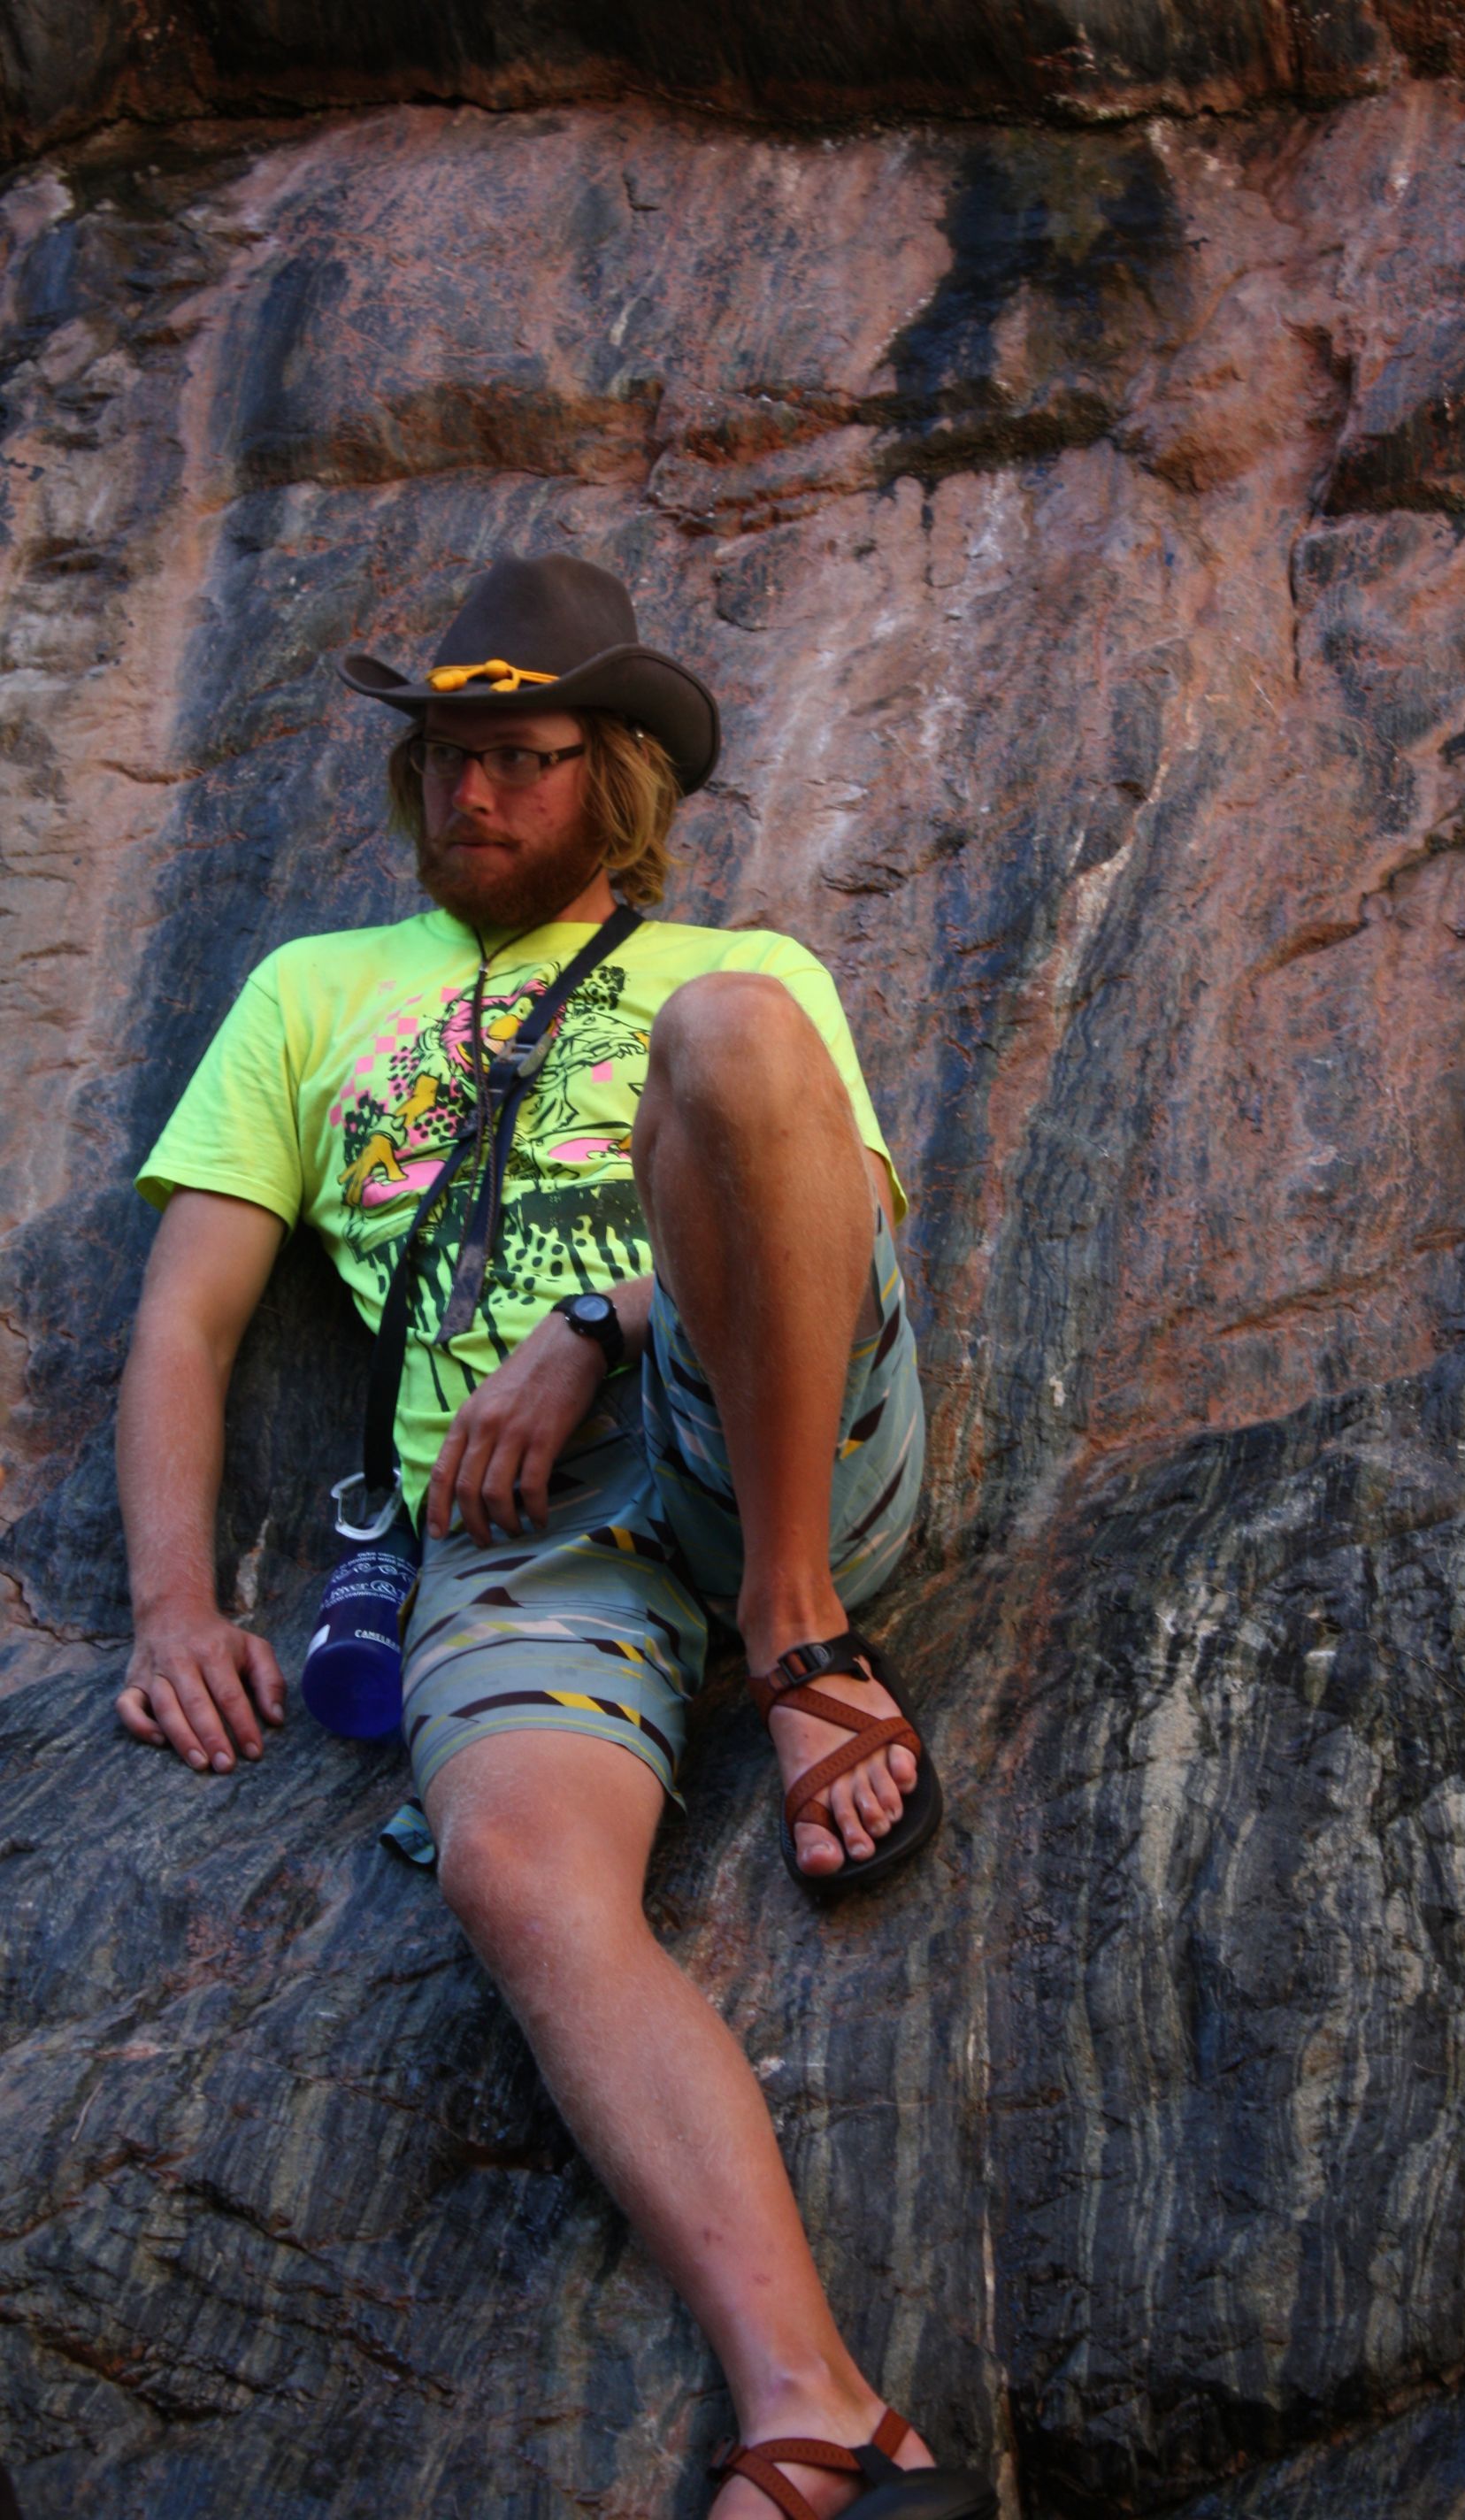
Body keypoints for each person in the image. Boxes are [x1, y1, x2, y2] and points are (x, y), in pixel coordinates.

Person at [113, 555, 995, 2520]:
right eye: (441, 761)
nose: (469, 798)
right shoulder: (311, 995)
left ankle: (795, 1631)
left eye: (517, 759)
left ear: (614, 782)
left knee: (741, 1037)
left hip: (755, 1413)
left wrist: (594, 1324)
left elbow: (841, 1215)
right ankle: (827, 2418)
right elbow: (183, 1316)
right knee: (512, 1863)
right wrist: (172, 1605)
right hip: (516, 1542)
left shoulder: (726, 963)